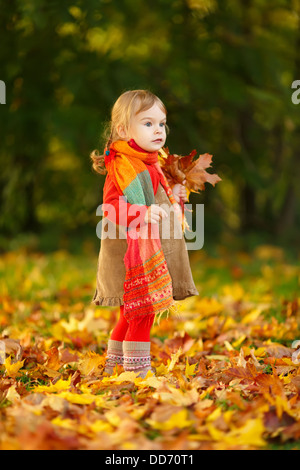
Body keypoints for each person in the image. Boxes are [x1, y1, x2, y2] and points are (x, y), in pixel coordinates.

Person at [90, 90, 199, 378]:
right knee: (142, 310)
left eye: (162, 123)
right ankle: (137, 372)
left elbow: (163, 201)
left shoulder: (152, 164)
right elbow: (111, 209)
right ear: (123, 130)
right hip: (131, 254)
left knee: (131, 311)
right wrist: (141, 213)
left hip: (150, 249)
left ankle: (114, 364)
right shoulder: (123, 167)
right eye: (148, 123)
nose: (158, 130)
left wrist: (176, 194)